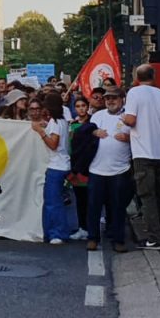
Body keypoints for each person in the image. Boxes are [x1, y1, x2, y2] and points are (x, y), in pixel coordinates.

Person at [122, 64, 160, 250]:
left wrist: (123, 118)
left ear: (137, 78)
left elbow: (131, 120)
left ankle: (156, 238)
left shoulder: (134, 93)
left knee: (147, 197)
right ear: (153, 77)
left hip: (143, 153)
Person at [84, 88, 133, 252]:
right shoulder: (98, 116)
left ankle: (118, 239)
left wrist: (129, 138)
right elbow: (84, 132)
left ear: (122, 99)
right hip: (97, 169)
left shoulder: (128, 117)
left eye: (114, 98)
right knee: (93, 206)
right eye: (108, 98)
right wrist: (93, 131)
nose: (110, 101)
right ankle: (92, 238)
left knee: (118, 207)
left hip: (120, 169)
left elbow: (141, 136)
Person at [31, 94, 71, 245]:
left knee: (53, 202)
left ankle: (57, 233)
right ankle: (51, 232)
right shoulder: (60, 121)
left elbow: (53, 144)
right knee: (52, 200)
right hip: (59, 164)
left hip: (57, 165)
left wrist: (40, 131)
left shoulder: (56, 122)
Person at [67, 96, 93, 238]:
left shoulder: (93, 123)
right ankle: (82, 227)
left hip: (89, 166)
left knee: (90, 199)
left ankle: (91, 228)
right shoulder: (72, 124)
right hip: (75, 165)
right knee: (80, 198)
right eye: (78, 106)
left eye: (83, 105)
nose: (81, 108)